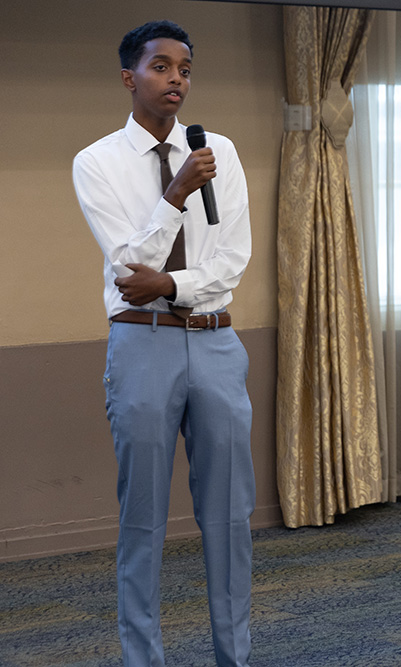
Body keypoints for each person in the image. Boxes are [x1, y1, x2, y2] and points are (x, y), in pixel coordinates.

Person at [72, 21, 254, 666]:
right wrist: (176, 195)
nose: (175, 78)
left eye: (185, 67)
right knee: (143, 520)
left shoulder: (219, 152)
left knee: (230, 518)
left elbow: (232, 262)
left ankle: (235, 657)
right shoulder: (96, 162)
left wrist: (171, 282)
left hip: (215, 344)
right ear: (130, 77)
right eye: (160, 66)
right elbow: (127, 269)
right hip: (141, 346)